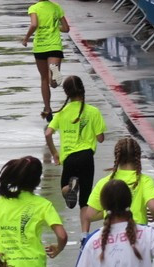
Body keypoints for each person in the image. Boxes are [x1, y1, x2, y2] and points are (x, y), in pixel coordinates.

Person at [45, 75, 107, 234]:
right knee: (85, 202)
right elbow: (100, 139)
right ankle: (84, 235)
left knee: (64, 189)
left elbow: (48, 133)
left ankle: (72, 187)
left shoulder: (62, 113)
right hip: (87, 157)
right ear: (82, 89)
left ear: (66, 93)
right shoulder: (93, 111)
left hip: (69, 159)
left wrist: (55, 154)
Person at [87, 138, 154, 228]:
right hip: (138, 232)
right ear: (138, 157)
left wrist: (108, 211)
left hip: (113, 234)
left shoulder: (105, 182)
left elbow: (89, 215)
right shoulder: (144, 181)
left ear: (117, 157)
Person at [22, 0, 68, 121]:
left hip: (40, 46)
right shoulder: (56, 8)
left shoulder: (34, 8)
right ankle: (55, 77)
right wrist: (55, 28)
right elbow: (66, 28)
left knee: (43, 79)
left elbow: (34, 24)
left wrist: (26, 38)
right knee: (53, 82)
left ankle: (47, 109)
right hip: (54, 46)